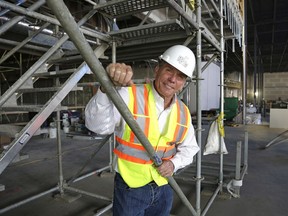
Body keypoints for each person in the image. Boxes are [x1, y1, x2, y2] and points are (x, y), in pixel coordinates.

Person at [85, 45, 199, 216]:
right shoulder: (128, 95)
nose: (173, 79)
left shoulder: (183, 112)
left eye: (181, 76)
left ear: (183, 84)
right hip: (131, 188)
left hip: (164, 186)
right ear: (157, 69)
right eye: (169, 70)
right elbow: (97, 126)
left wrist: (174, 163)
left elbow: (190, 148)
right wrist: (105, 88)